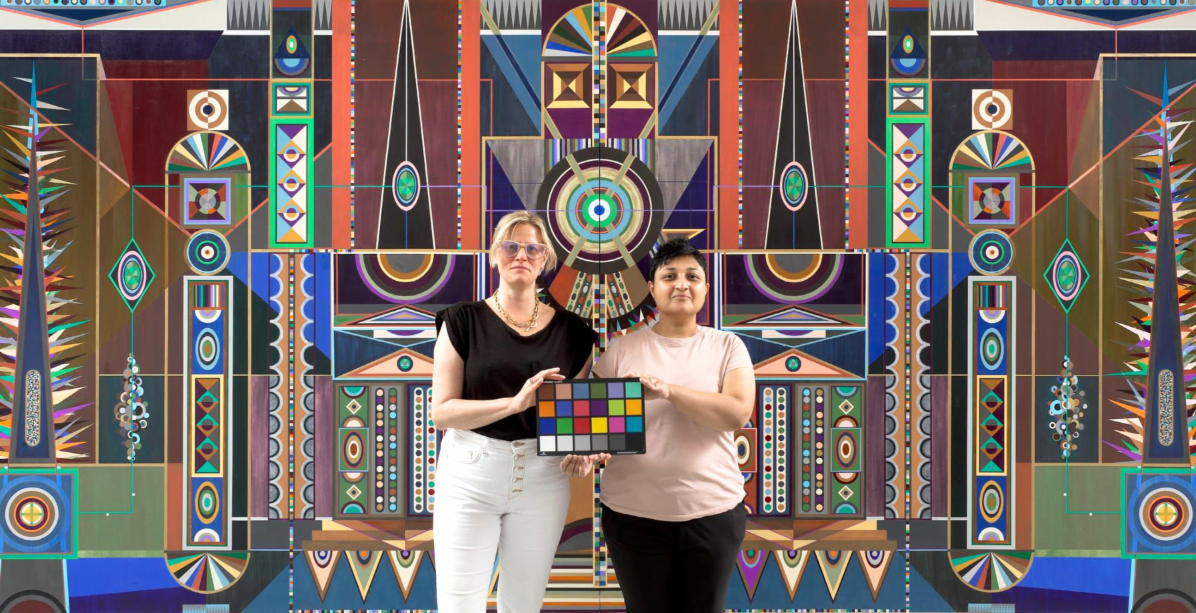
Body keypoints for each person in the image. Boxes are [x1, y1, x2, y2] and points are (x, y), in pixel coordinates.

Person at [431, 210, 609, 612]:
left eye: (532, 248)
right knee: (459, 605)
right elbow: (441, 412)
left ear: (544, 260)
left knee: (524, 606)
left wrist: (581, 451)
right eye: (511, 246)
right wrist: (514, 403)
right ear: (494, 255)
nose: (521, 256)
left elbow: (573, 419)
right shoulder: (462, 321)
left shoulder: (574, 332)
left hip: (542, 479)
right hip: (470, 472)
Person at [591, 237, 756, 613]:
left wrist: (667, 391)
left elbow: (736, 413)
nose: (681, 284)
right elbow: (593, 425)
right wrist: (586, 452)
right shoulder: (621, 350)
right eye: (669, 276)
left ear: (705, 289)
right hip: (632, 517)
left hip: (713, 514)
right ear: (652, 289)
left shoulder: (727, 346)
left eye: (692, 276)